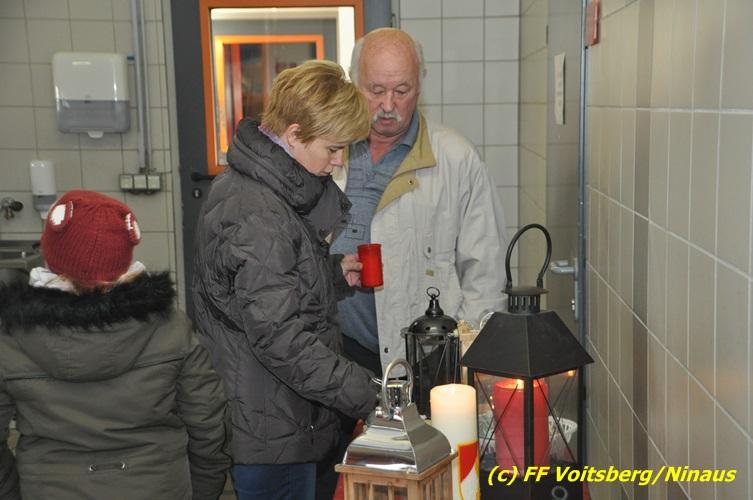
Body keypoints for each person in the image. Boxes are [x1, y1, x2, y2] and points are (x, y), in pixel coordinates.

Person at [192, 60, 378, 500]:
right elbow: (281, 339)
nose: (339, 161)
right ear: (294, 135)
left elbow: (265, 286)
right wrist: (370, 393)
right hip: (271, 429)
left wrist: (333, 274)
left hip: (274, 412)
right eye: (333, 148)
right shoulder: (258, 212)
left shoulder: (260, 188)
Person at [0, 190, 230, 500]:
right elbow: (208, 423)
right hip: (157, 486)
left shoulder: (12, 336)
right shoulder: (170, 327)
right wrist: (201, 490)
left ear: (51, 253)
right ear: (124, 258)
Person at [330, 27, 508, 376]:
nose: (388, 106)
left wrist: (461, 360)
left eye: (402, 91)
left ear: (420, 86)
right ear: (353, 81)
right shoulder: (326, 149)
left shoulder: (456, 159)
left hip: (427, 357)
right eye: (375, 90)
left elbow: (485, 275)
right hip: (334, 353)